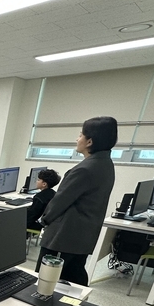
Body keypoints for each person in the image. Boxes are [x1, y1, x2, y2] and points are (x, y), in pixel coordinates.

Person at [36, 117, 117, 285]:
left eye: (80, 135)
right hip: (83, 235)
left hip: (64, 236)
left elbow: (59, 202)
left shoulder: (84, 169)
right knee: (74, 275)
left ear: (89, 141)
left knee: (47, 280)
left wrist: (44, 220)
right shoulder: (105, 163)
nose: (77, 139)